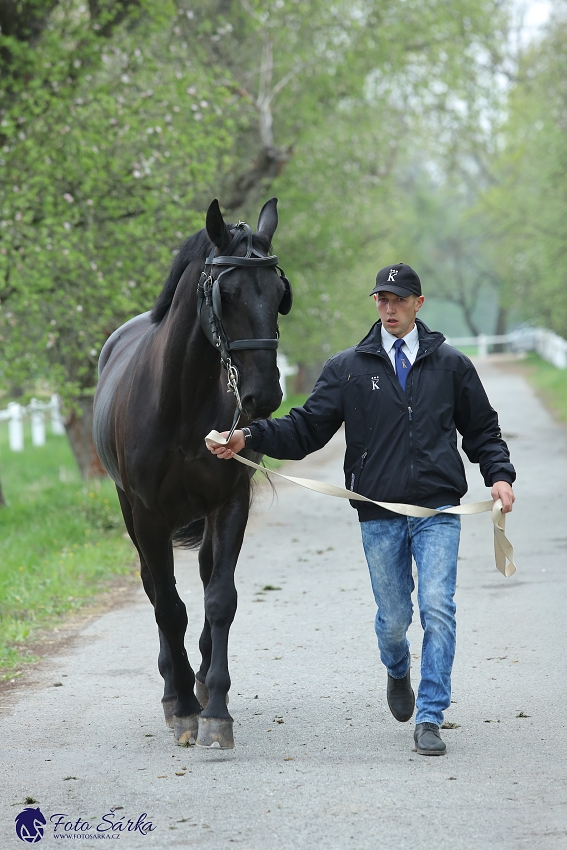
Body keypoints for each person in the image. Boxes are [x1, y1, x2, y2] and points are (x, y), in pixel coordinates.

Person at [207, 262, 516, 756]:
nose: (388, 307)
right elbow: (306, 428)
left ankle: (431, 717)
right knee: (394, 619)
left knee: (438, 610)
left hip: (438, 512)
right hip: (378, 513)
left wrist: (498, 476)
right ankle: (398, 669)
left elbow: (483, 430)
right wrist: (252, 434)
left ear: (418, 303)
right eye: (381, 299)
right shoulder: (347, 368)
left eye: (398, 299)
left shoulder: (452, 365)